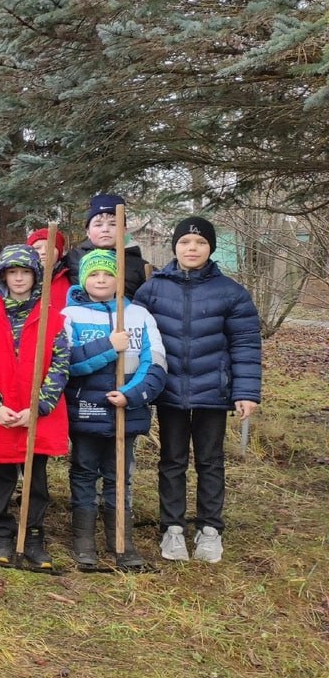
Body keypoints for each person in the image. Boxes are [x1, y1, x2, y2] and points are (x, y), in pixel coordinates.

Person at [134, 216, 261, 564]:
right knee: (172, 461)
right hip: (170, 390)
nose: (192, 249)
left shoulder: (231, 293)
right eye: (186, 243)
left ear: (211, 248)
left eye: (201, 243)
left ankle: (209, 530)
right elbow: (139, 341)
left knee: (210, 461)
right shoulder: (153, 290)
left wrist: (246, 391)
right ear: (174, 247)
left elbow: (246, 345)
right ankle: (172, 528)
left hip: (213, 392)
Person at [0, 245, 70, 568]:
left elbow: (60, 365)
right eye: (13, 273)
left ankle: (34, 534)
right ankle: (1, 532)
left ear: (35, 277)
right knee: (0, 474)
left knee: (35, 478)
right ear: (2, 277)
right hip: (1, 413)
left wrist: (39, 407)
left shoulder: (51, 320)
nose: (19, 278)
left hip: (35, 413)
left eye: (25, 272)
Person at [62, 250, 167, 569]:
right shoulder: (70, 316)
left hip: (126, 411)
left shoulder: (139, 315)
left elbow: (156, 362)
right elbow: (68, 362)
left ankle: (122, 542)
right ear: (84, 279)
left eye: (108, 275)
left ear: (119, 280)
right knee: (83, 474)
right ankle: (83, 542)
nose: (101, 280)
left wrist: (132, 394)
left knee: (119, 476)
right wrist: (110, 345)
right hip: (85, 411)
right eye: (94, 275)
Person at [64, 194, 147, 299]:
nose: (105, 229)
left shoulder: (139, 265)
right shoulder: (71, 259)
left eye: (113, 224)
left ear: (124, 230)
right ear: (88, 231)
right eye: (98, 225)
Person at [27, 227, 71, 311]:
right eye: (37, 248)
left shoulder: (71, 277)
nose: (43, 252)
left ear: (59, 252)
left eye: (49, 247)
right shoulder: (20, 279)